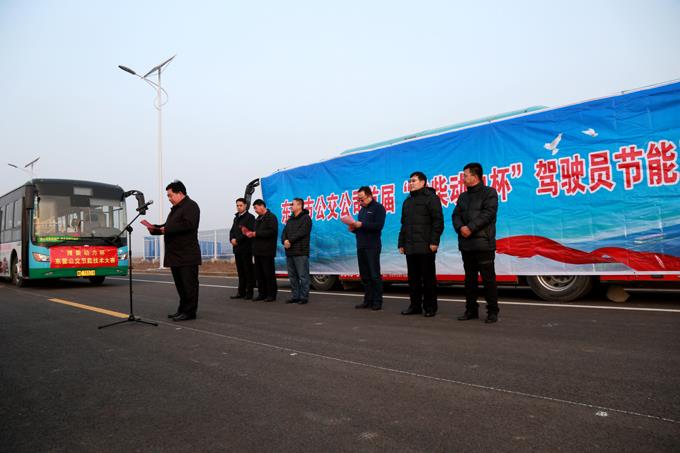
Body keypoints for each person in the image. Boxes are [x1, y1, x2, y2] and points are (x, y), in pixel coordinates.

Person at [452, 162, 500, 323]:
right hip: (466, 244)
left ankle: (492, 311)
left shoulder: (489, 193)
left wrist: (470, 228)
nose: (463, 179)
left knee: (488, 280)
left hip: (483, 244)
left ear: (475, 176)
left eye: (465, 176)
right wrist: (461, 228)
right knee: (470, 280)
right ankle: (471, 310)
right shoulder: (463, 197)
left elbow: (489, 213)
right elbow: (455, 215)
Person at [147, 180, 201, 322]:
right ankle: (182, 309)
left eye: (170, 195)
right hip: (175, 255)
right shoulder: (176, 209)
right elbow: (168, 226)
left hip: (187, 255)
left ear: (180, 193)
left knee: (189, 285)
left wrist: (166, 229)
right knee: (180, 286)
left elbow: (188, 224)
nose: (169, 198)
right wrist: (155, 229)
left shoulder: (191, 206)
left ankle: (190, 312)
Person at [398, 171, 444, 317]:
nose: (411, 183)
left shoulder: (431, 198)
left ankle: (430, 307)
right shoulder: (407, 201)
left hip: (426, 246)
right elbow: (404, 224)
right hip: (410, 247)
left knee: (428, 279)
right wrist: (401, 243)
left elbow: (438, 221)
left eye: (414, 181)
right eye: (410, 181)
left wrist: (434, 241)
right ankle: (415, 306)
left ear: (423, 182)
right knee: (413, 279)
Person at [349, 186, 386, 310]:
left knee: (374, 275)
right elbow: (362, 228)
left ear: (370, 196)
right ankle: (367, 300)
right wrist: (354, 229)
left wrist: (362, 224)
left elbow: (378, 226)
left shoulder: (378, 208)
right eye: (358, 200)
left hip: (372, 246)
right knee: (364, 275)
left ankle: (377, 301)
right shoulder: (362, 210)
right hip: (361, 245)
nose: (360, 202)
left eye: (362, 199)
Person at [281, 198, 312, 304]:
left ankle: (304, 297)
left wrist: (289, 240)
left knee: (303, 276)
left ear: (299, 205)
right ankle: (295, 296)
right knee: (292, 276)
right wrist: (284, 240)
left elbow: (302, 232)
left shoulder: (306, 218)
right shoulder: (290, 219)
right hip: (289, 252)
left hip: (301, 252)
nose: (291, 206)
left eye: (292, 204)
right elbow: (284, 233)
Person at [247, 199, 278, 302]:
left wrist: (256, 234)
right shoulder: (257, 219)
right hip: (257, 251)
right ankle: (262, 293)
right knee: (259, 274)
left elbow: (272, 232)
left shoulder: (271, 217)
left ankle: (271, 294)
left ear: (262, 206)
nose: (255, 210)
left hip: (267, 251)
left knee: (268, 274)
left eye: (256, 208)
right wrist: (251, 234)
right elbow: (255, 233)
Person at [229, 197, 256, 300]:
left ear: (245, 206)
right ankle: (241, 292)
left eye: (240, 205)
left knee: (248, 271)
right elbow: (232, 231)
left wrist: (237, 240)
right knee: (240, 272)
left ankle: (249, 293)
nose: (239, 207)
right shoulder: (236, 218)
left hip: (246, 248)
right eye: (237, 205)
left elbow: (248, 232)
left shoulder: (250, 217)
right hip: (237, 249)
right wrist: (232, 239)